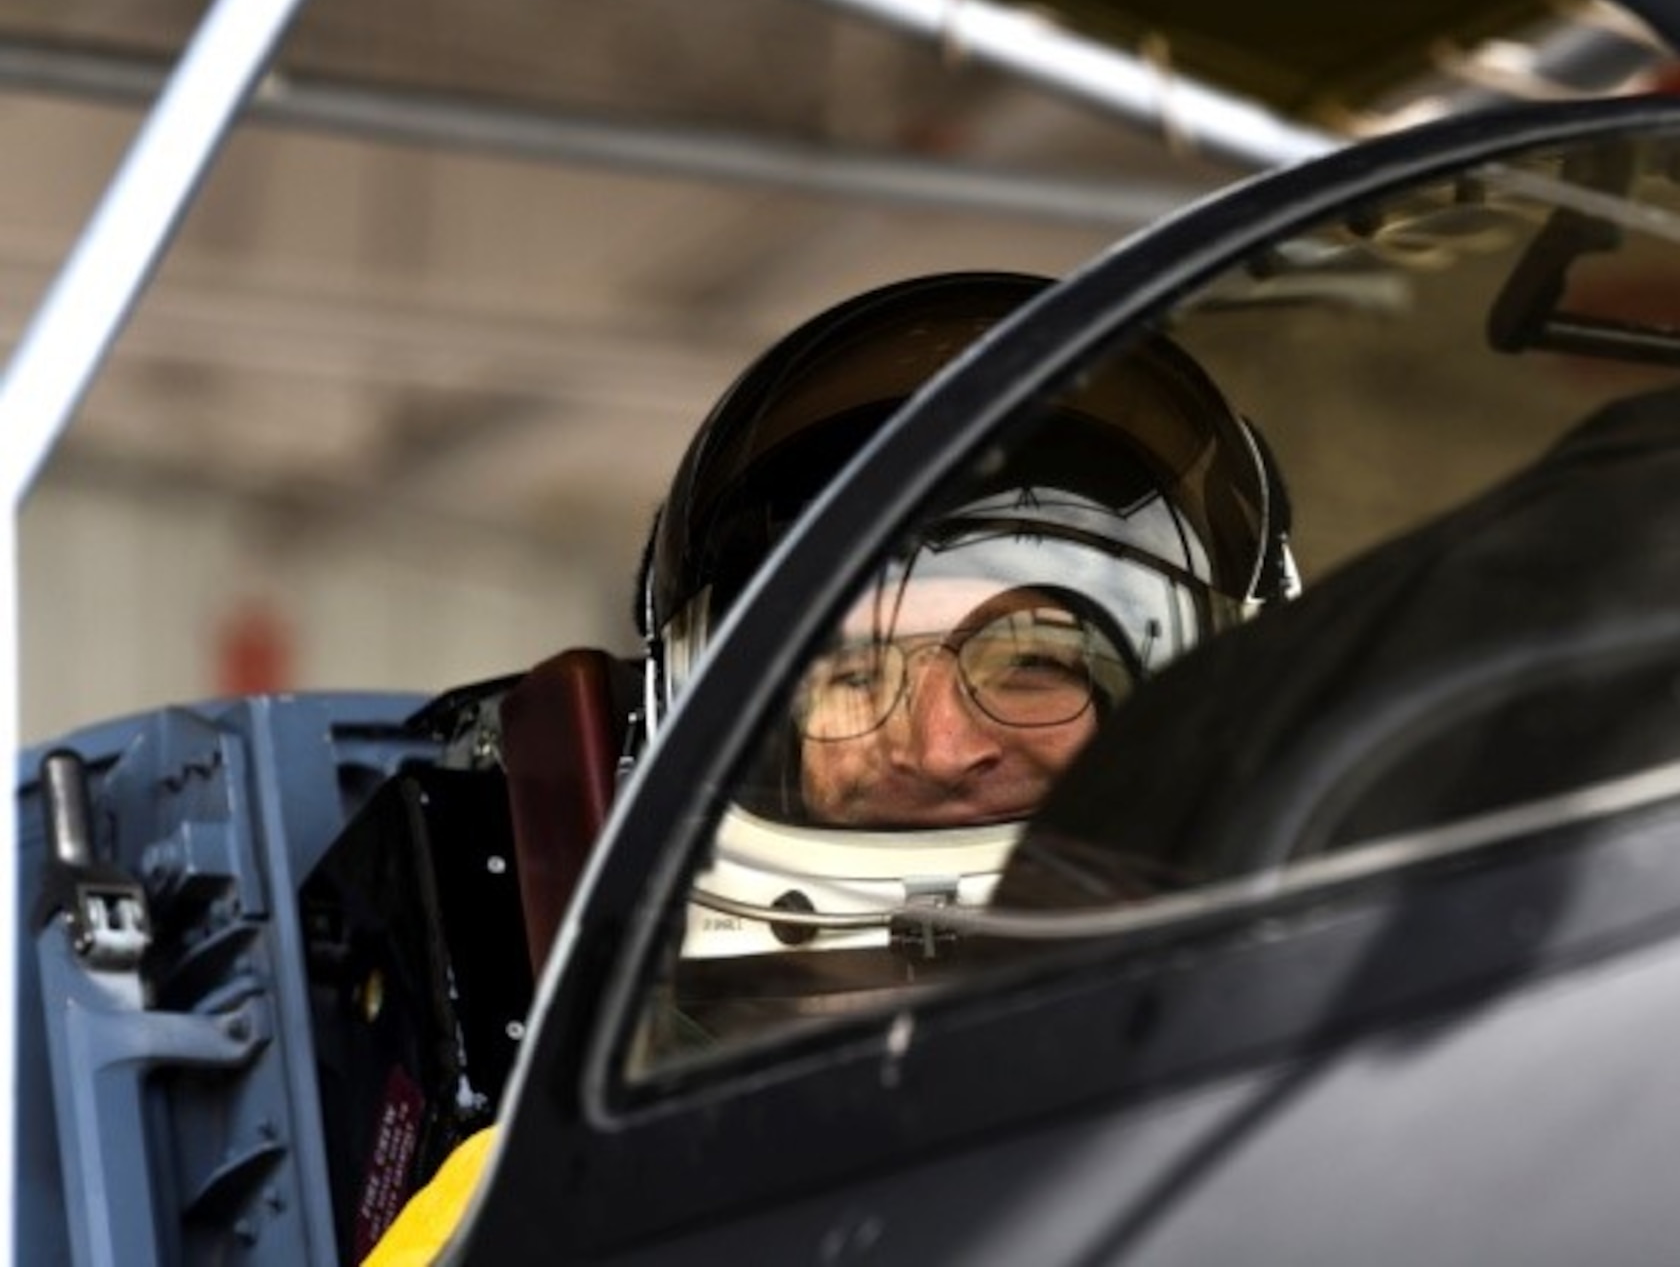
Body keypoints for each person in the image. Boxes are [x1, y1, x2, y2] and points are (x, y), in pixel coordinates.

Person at [364, 269, 1294, 1263]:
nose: (938, 747)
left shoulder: (1367, 1097)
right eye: (852, 674)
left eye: (1031, 661)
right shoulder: (526, 1210)